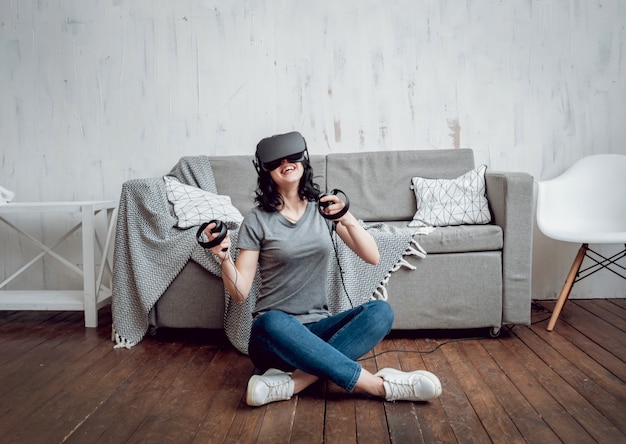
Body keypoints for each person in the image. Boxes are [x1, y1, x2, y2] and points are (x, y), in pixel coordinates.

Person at [203, 131, 442, 407]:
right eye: (276, 160)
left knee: (381, 313)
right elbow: (241, 293)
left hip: (319, 328)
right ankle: (379, 386)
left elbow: (373, 256)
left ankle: (292, 384)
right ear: (265, 170)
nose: (286, 163)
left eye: (292, 156)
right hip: (274, 338)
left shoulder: (324, 211)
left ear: (303, 160)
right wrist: (223, 258)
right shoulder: (256, 220)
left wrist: (346, 217)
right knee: (270, 322)